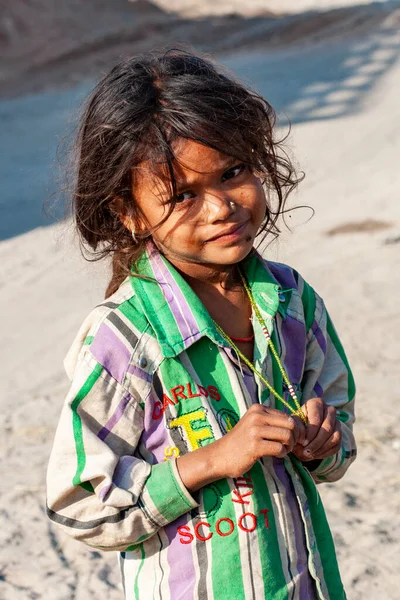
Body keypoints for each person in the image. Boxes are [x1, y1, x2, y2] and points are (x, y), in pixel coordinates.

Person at [46, 49, 356, 600]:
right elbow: (82, 506)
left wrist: (321, 441)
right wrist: (208, 462)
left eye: (233, 172)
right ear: (130, 212)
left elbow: (338, 441)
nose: (220, 208)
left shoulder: (292, 301)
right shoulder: (124, 339)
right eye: (183, 195)